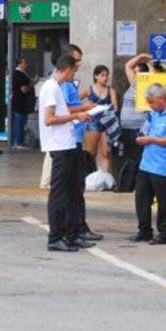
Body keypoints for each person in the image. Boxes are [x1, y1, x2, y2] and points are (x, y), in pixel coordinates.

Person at [39, 54, 93, 252]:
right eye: (74, 70)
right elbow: (49, 119)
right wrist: (76, 116)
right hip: (58, 146)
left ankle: (71, 234)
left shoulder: (57, 88)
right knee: (59, 193)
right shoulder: (51, 88)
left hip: (67, 144)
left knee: (71, 190)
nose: (75, 74)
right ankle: (55, 237)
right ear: (66, 69)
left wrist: (77, 114)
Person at [130, 83, 166, 245]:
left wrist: (150, 139)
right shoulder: (153, 114)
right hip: (146, 162)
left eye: (152, 102)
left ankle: (165, 232)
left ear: (162, 99)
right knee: (141, 198)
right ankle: (144, 230)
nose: (150, 105)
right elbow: (145, 131)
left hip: (162, 165)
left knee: (164, 200)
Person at [61, 44, 102, 242]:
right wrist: (81, 110)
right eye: (76, 62)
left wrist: (84, 109)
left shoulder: (71, 84)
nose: (78, 66)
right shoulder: (61, 85)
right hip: (68, 141)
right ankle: (73, 229)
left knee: (78, 186)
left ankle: (79, 226)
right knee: (72, 187)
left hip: (76, 137)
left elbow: (72, 107)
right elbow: (61, 111)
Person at [80, 65, 119, 173]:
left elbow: (115, 107)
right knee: (91, 152)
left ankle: (104, 177)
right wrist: (85, 107)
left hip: (107, 123)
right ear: (96, 76)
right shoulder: (89, 89)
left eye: (107, 75)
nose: (105, 78)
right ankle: (89, 176)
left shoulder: (111, 90)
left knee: (106, 152)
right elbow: (76, 101)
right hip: (93, 122)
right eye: (102, 75)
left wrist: (109, 108)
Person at [120, 53, 152, 164]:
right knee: (132, 158)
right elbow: (128, 65)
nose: (133, 72)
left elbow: (154, 76)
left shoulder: (150, 84)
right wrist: (141, 56)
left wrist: (149, 64)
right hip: (128, 129)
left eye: (136, 71)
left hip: (139, 129)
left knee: (138, 158)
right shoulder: (134, 82)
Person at [10, 57, 37, 150]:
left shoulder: (22, 74)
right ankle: (18, 142)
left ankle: (17, 142)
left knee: (20, 123)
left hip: (21, 103)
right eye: (25, 63)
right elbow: (24, 89)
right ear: (19, 64)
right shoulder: (19, 74)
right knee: (19, 123)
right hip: (20, 103)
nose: (27, 64)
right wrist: (32, 84)